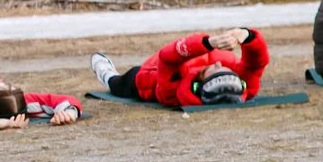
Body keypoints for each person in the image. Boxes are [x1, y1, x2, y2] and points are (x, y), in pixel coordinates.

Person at [89, 28, 271, 108]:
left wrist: (207, 42)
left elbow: (168, 56)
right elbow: (257, 61)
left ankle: (105, 72)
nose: (218, 64)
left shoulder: (173, 89)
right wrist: (246, 36)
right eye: (226, 69)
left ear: (200, 80)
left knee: (118, 83)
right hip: (185, 57)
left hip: (148, 77)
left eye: (215, 70)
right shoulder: (243, 82)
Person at [0, 74, 80, 129]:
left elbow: (66, 100)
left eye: (4, 85)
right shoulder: (3, 98)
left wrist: (68, 114)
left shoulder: (10, 99)